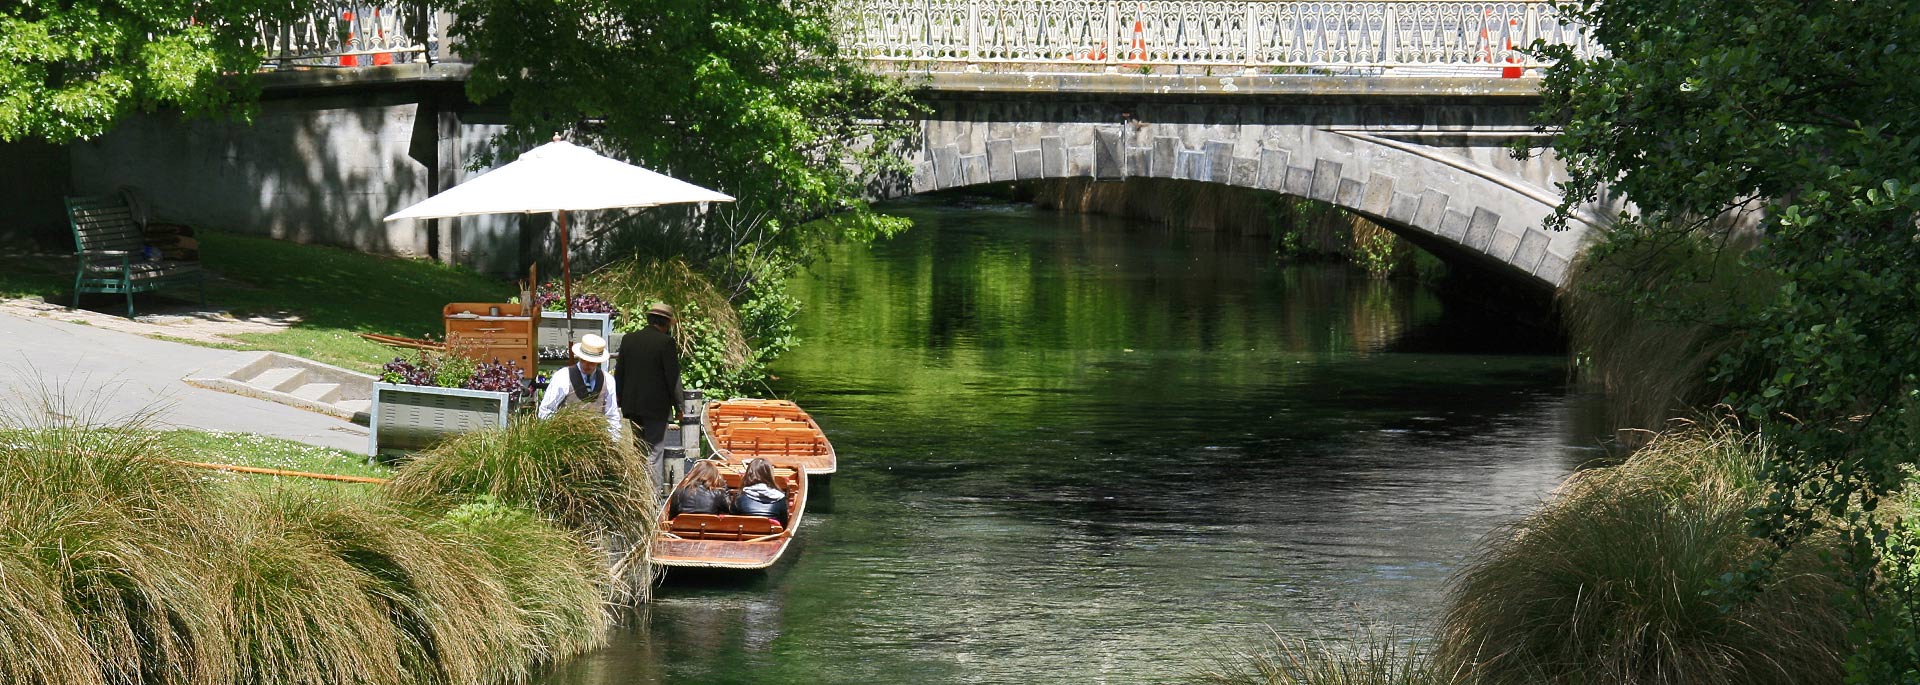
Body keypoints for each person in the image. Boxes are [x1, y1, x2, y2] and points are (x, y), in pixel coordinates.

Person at [615, 302, 684, 454]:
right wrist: (679, 406)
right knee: (655, 452)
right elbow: (673, 378)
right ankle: (653, 479)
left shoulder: (629, 339)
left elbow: (619, 373)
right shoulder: (666, 343)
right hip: (656, 408)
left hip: (633, 406)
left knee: (639, 450)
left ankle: (639, 478)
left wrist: (619, 398)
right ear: (666, 324)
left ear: (649, 320)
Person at [537, 333, 623, 441]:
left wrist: (614, 443)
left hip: (596, 442)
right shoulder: (562, 377)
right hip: (565, 440)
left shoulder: (608, 380)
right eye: (584, 360)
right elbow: (546, 409)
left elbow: (612, 415)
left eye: (592, 362)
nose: (587, 365)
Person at [729, 458, 789, 527]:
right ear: (770, 475)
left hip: (744, 535)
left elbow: (732, 521)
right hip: (771, 535)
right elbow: (784, 525)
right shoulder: (780, 498)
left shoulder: (739, 496)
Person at [667, 460, 732, 518]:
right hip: (708, 529)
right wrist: (724, 486)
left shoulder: (679, 492)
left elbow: (672, 516)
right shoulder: (717, 494)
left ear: (694, 474)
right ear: (712, 477)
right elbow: (729, 511)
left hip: (683, 529)